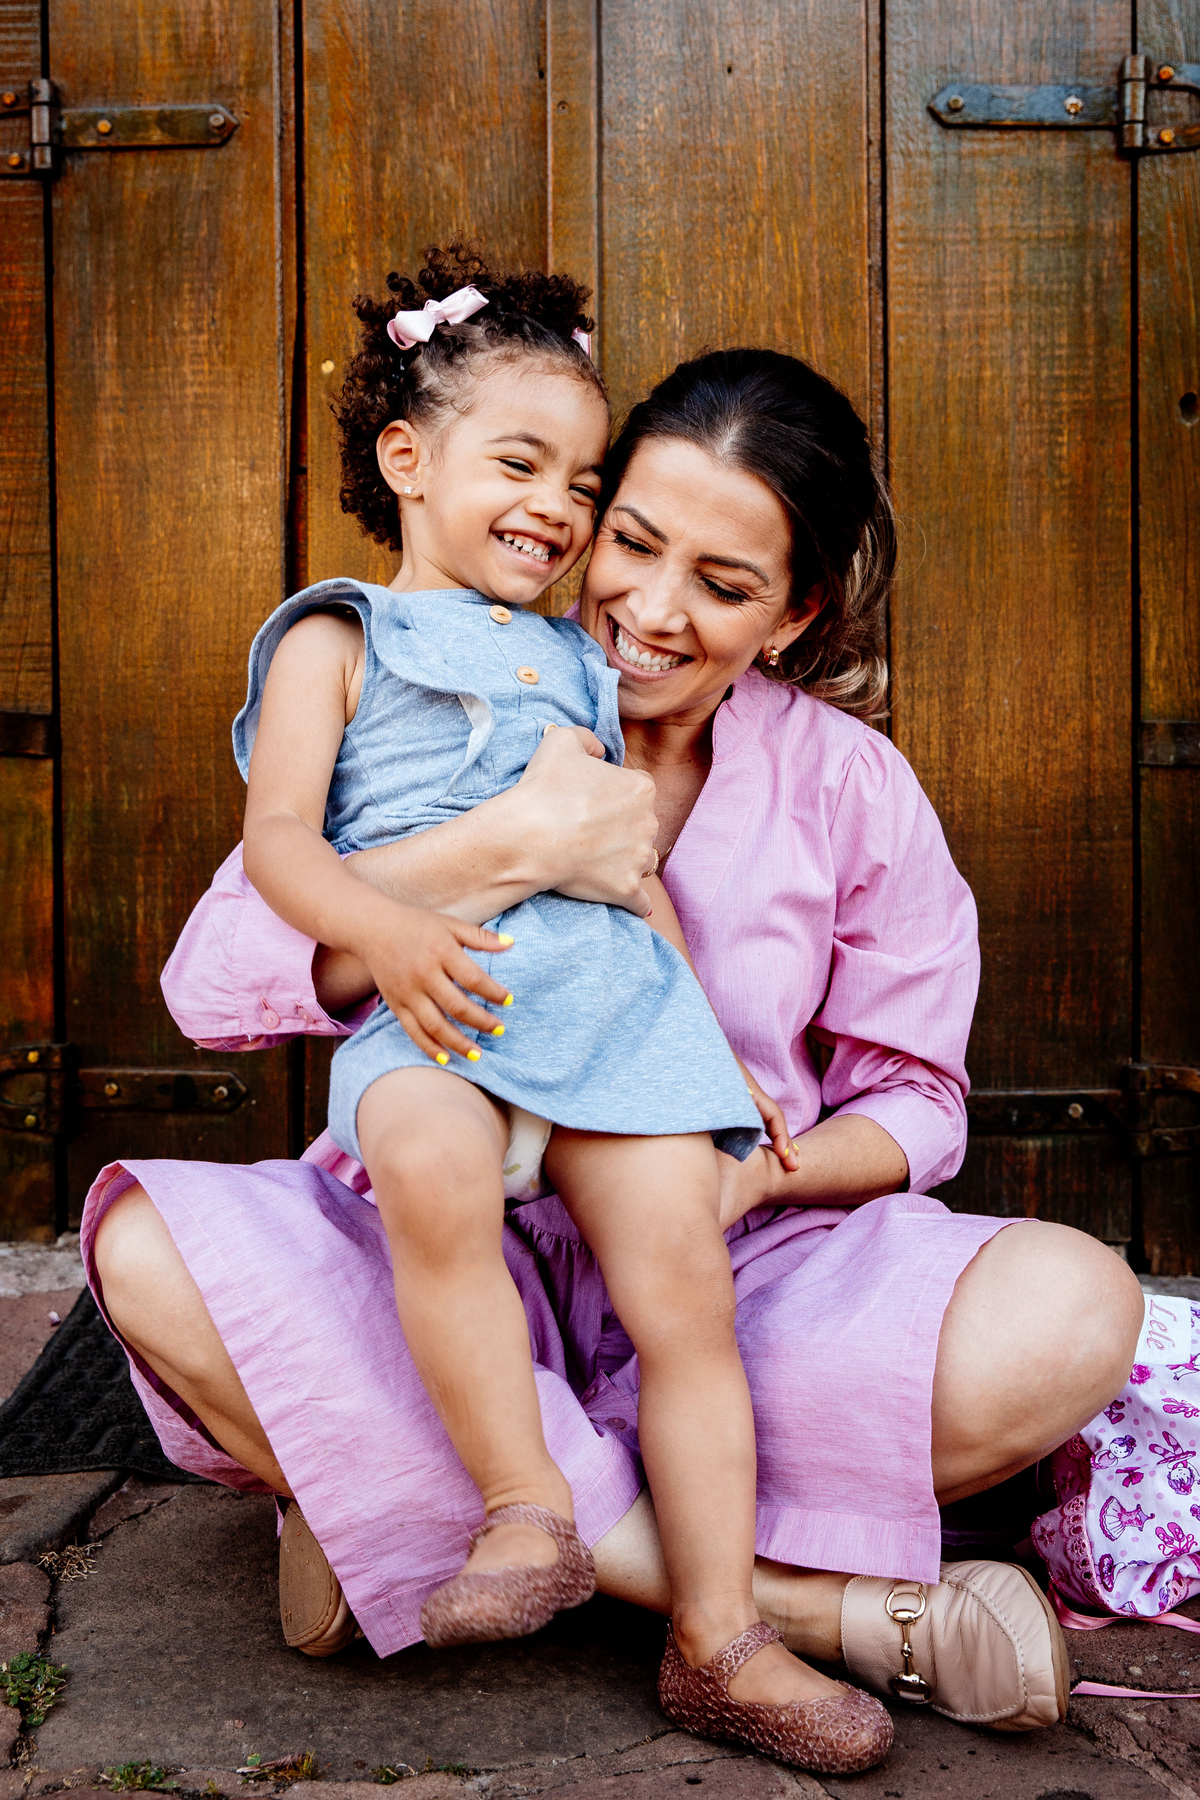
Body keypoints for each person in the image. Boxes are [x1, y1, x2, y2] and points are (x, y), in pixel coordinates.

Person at [87, 341, 1144, 1759]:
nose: (649, 610)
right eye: (631, 543)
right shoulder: (438, 678)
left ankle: (395, 1511)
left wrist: (762, 1177)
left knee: (1074, 1305)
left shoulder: (848, 785)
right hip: (447, 1247)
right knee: (147, 1249)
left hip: (729, 1279)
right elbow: (217, 982)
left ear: (792, 615)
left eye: (723, 587)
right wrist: (492, 851)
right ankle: (795, 1615)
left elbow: (920, 1102)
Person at [228, 246, 881, 1772]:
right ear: (410, 459)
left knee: (686, 1296)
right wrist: (385, 933)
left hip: (608, 1011)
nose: (558, 509)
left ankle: (721, 1637)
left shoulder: (581, 664)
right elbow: (278, 853)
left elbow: (629, 867)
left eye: (582, 481)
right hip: (439, 1004)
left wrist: (711, 1052)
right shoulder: (337, 636)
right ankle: (526, 1512)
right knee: (430, 1171)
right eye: (521, 462)